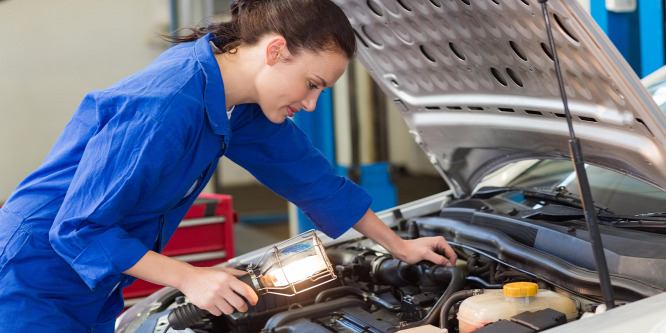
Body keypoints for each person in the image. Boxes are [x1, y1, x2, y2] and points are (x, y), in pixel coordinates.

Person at [0, 0, 457, 331]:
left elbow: (312, 178)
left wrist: (399, 247)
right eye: (311, 84)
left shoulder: (239, 103)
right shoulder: (168, 103)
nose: (313, 103)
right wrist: (191, 278)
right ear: (275, 51)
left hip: (93, 277)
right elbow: (78, 228)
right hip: (35, 271)